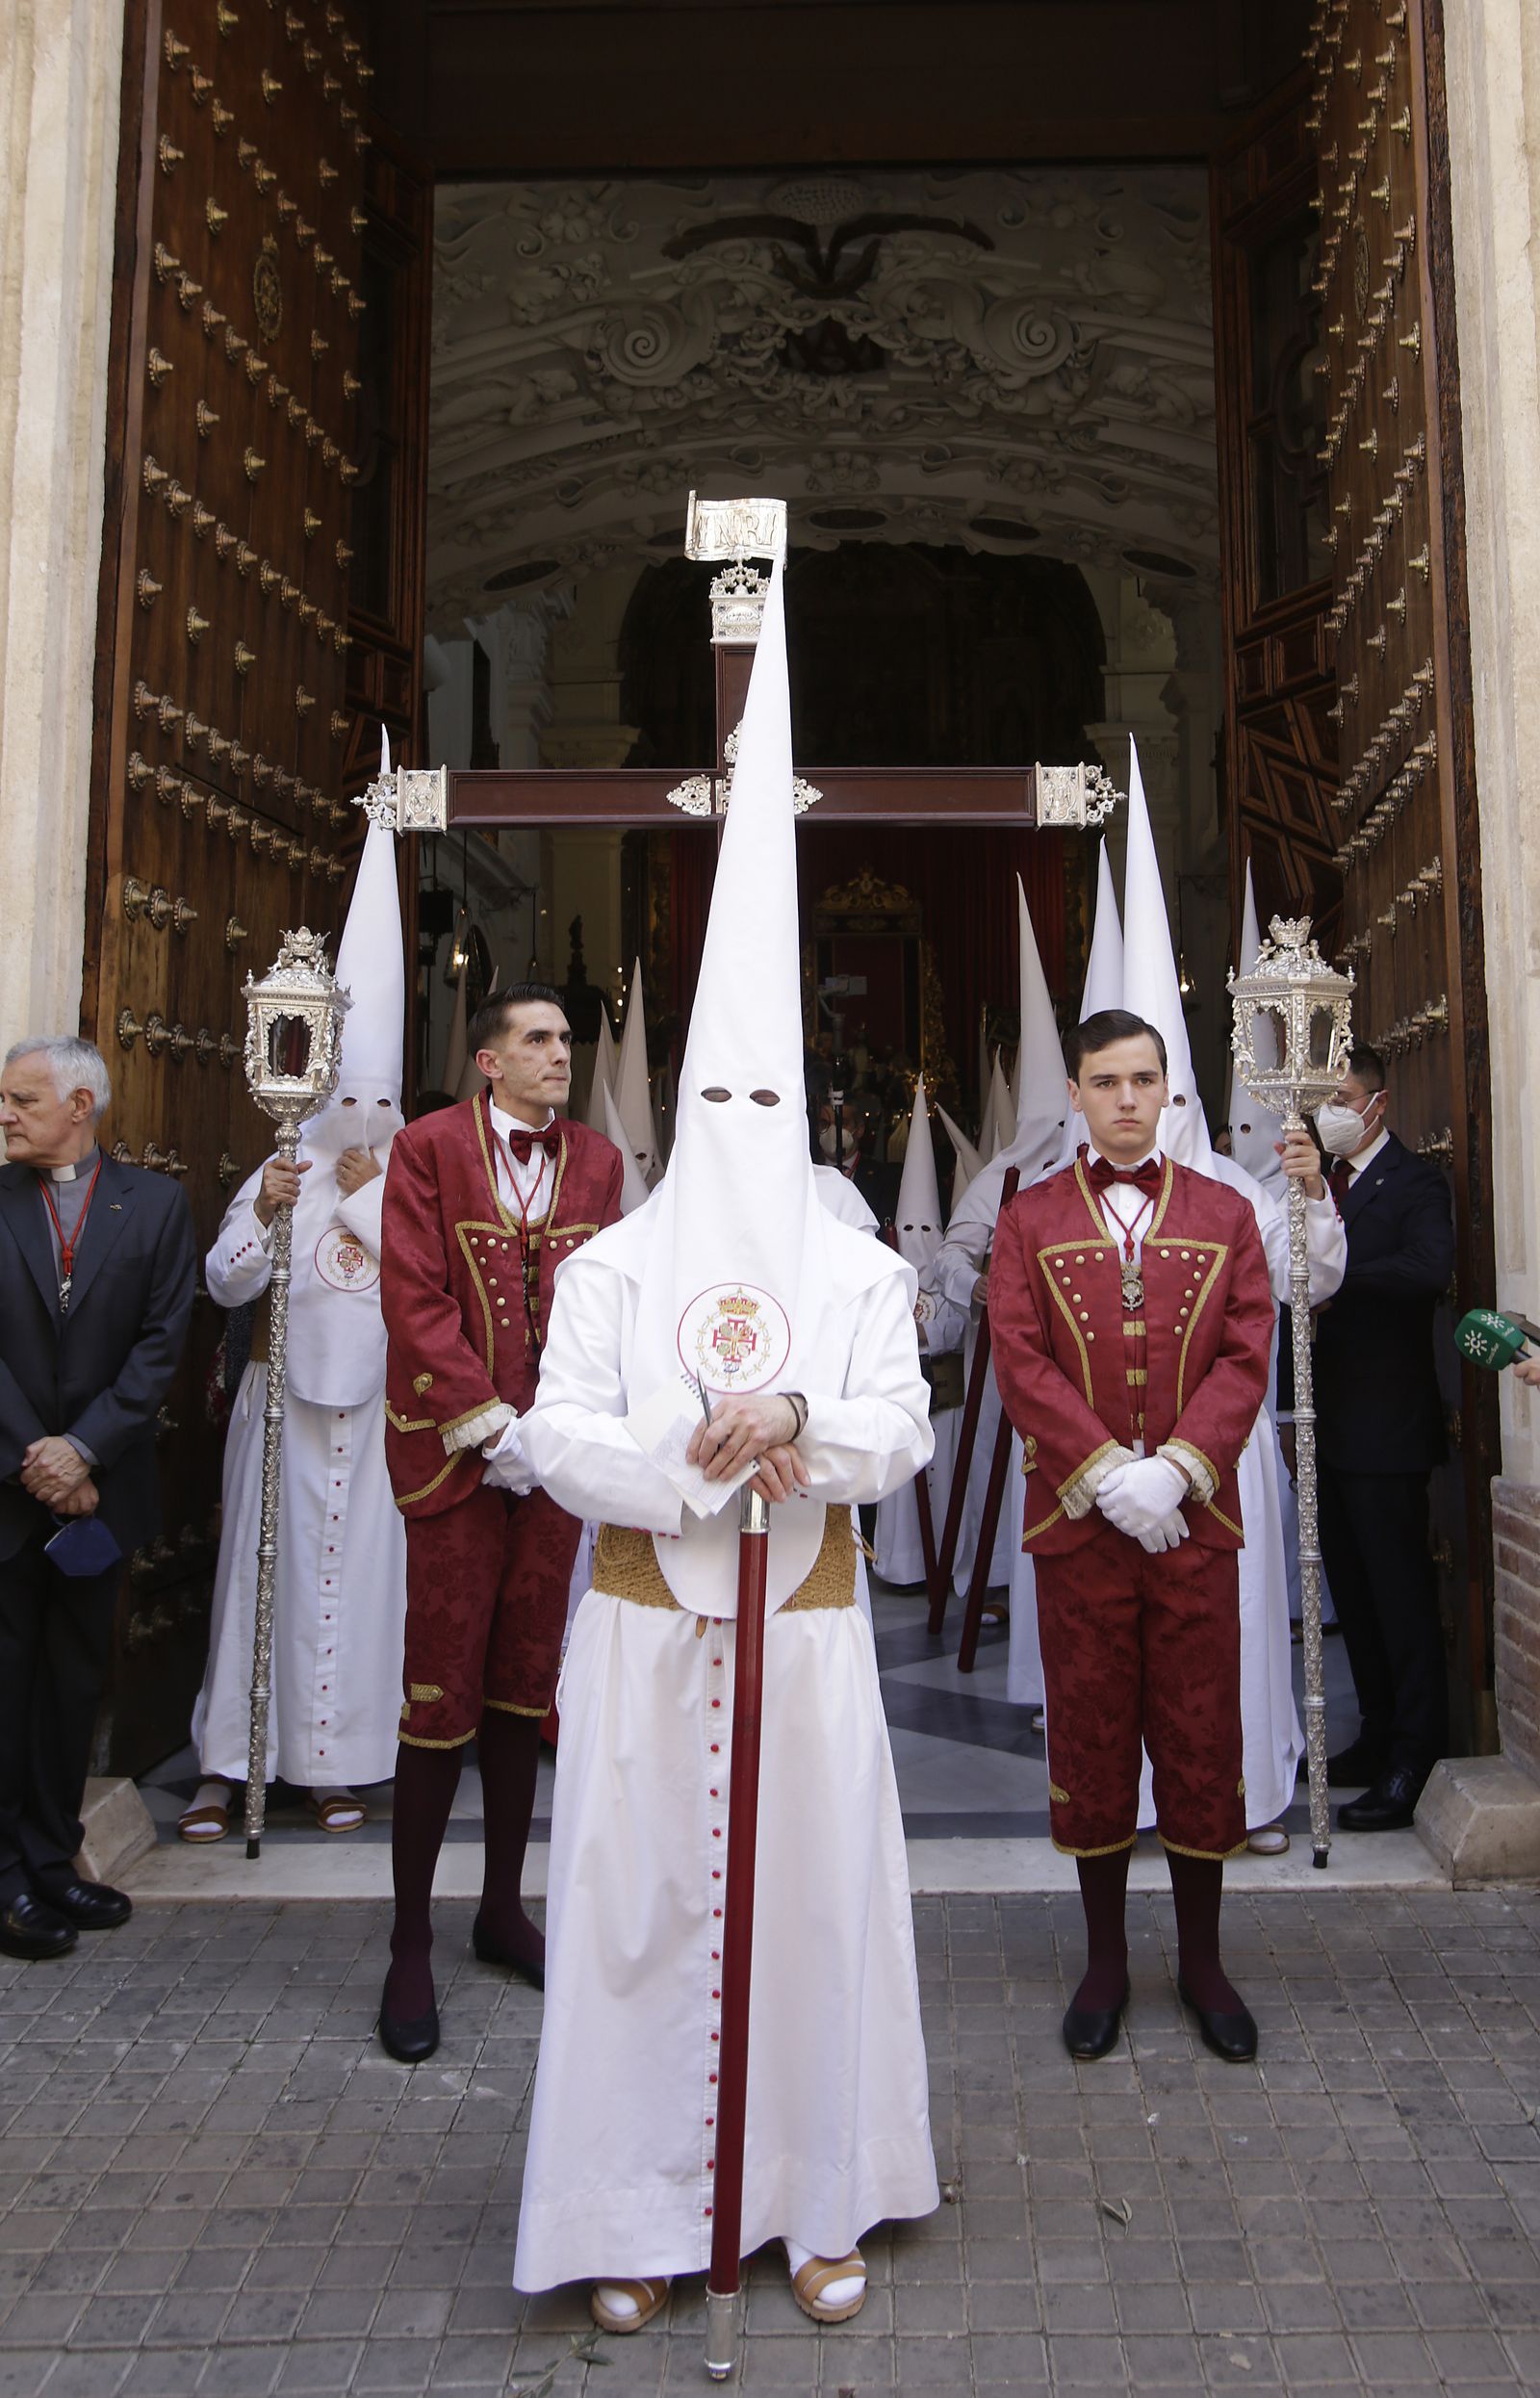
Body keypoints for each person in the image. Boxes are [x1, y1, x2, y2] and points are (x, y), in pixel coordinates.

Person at [511, 561, 937, 2334]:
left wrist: (805, 1425)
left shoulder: (854, 1265)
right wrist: (697, 1457)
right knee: (631, 1914)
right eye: (725, 1099)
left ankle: (818, 2201)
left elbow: (904, 1426)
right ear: (684, 1099)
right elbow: (549, 1433)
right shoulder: (611, 1261)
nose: (752, 1124)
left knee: (813, 1910)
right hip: (647, 1626)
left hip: (815, 1628)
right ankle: (628, 2211)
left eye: (777, 1101)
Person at [990, 1009, 1275, 2063]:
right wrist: (1110, 1474)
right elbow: (1019, 1358)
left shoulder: (1225, 1211)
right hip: (1078, 1527)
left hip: (1194, 1526)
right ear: (1073, 1092)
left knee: (1201, 1737)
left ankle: (1202, 1963)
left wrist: (1180, 1469)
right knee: (1094, 1734)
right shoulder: (1026, 1220)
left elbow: (1246, 1353)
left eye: (1141, 1079)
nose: (1122, 1098)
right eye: (1103, 1080)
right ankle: (1104, 1959)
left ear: (1169, 1092)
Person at [376, 986, 624, 2062]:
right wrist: (484, 1418)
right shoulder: (427, 1149)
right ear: (488, 1061)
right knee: (440, 1692)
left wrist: (561, 1426)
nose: (559, 1055)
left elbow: (605, 1299)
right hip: (452, 1456)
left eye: (565, 1039)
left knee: (527, 1681)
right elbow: (415, 1293)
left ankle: (501, 1908)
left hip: (551, 1462)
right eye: (538, 1040)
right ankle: (407, 1942)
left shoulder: (603, 1163)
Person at [180, 812, 409, 1843]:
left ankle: (338, 1763)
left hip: (378, 1420)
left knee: (354, 1591)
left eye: (377, 1093)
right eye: (345, 1089)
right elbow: (224, 1285)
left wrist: (370, 1200)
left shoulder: (421, 1172)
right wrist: (273, 1207)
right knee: (254, 1585)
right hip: (279, 1402)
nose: (359, 1109)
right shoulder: (283, 1164)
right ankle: (228, 1763)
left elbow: (433, 1284)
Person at [0, 1036, 196, 1958]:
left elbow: (161, 1345)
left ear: (82, 1105)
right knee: (5, 1686)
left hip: (100, 1491)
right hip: (10, 1487)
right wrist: (36, 1456)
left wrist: (84, 1452)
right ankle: (5, 1879)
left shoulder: (154, 1205)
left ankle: (51, 1860)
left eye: (23, 1099)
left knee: (74, 1684)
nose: (6, 1114)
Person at [1310, 1044, 1455, 1830]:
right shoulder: (1321, 1185)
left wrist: (1336, 1281)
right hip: (1329, 1427)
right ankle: (1373, 1734)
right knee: (1356, 1599)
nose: (1333, 1109)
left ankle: (1415, 1756)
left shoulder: (1414, 1182)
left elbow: (1429, 1267)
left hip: (1387, 1425)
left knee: (1399, 1599)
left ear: (1378, 1103)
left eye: (1343, 1095)